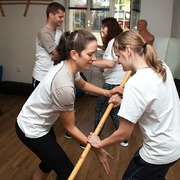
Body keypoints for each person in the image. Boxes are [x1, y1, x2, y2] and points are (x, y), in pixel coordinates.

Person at [15, 29, 123, 179]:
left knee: (48, 162)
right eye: (90, 54)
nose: (94, 58)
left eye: (94, 53)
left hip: (41, 124)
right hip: (31, 128)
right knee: (67, 172)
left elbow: (83, 85)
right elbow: (70, 127)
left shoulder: (69, 65)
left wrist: (107, 92)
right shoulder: (64, 85)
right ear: (74, 54)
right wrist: (96, 149)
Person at [88, 30, 180, 179]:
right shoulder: (162, 66)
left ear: (128, 51)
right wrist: (124, 101)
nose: (118, 61)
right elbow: (155, 100)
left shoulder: (135, 83)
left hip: (158, 153)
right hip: (175, 148)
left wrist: (99, 143)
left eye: (118, 56)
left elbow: (124, 134)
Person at [87, 17, 128, 148]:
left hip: (113, 83)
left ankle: (95, 137)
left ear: (110, 27)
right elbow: (109, 63)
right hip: (118, 82)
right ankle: (124, 137)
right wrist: (101, 66)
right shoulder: (114, 41)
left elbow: (110, 63)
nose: (101, 29)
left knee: (100, 109)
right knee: (114, 111)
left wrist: (88, 61)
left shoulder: (113, 42)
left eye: (103, 27)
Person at [32, 2, 65, 90]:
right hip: (41, 77)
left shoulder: (58, 32)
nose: (62, 19)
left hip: (53, 75)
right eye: (60, 17)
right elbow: (57, 54)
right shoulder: (44, 33)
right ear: (51, 15)